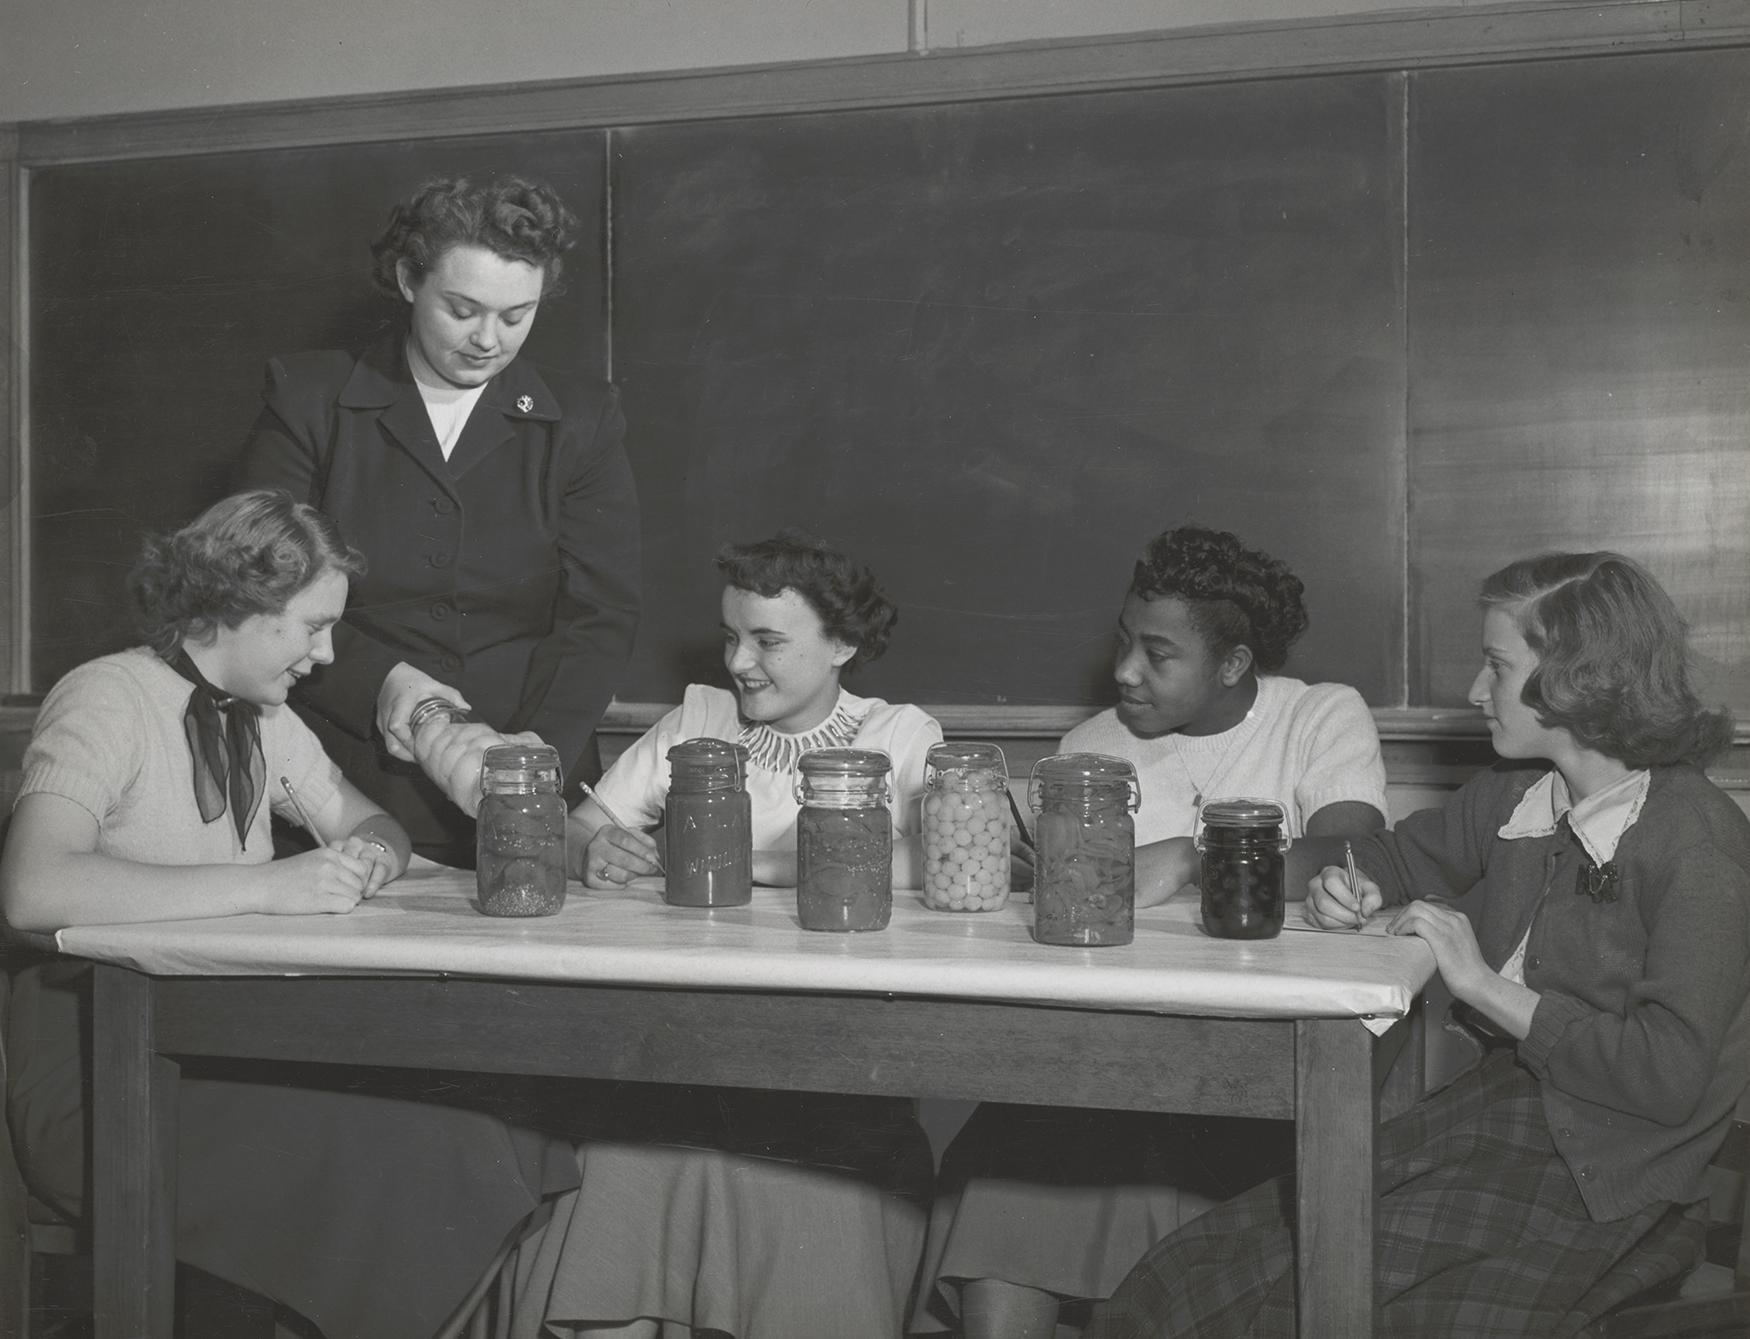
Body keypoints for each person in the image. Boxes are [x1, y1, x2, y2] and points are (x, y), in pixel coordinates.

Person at [1084, 550, 1750, 1339]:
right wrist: (1354, 883)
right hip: (1493, 1124)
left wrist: (1481, 982)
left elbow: (1665, 1079)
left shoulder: (1696, 839)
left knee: (1337, 1302)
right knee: (1192, 1274)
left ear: (1576, 679)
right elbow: (1390, 857)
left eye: (1496, 666)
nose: (1475, 691)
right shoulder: (1516, 795)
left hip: (1613, 1179)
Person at [1, 490, 576, 1339]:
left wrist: (366, 859)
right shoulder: (105, 697)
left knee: (489, 1126)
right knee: (427, 1144)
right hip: (99, 1073)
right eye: (312, 626)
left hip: (204, 1046)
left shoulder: (268, 721)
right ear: (237, 603)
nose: (327, 653)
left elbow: (372, 825)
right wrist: (268, 886)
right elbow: (30, 888)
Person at [916, 525, 1390, 1339]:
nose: (1125, 670)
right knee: (1018, 1148)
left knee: (1078, 1156)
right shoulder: (1090, 749)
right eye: (1124, 642)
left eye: (1159, 653)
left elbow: (1356, 851)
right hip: (1112, 1065)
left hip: (1261, 1079)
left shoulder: (1316, 715)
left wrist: (1190, 856)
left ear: (1234, 663)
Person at [503, 531, 943, 1339]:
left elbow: (928, 857)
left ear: (842, 643)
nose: (740, 661)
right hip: (685, 1049)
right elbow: (576, 826)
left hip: (831, 1061)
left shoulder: (900, 735)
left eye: (769, 641)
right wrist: (595, 847)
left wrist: (748, 862)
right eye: (731, 635)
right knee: (614, 1155)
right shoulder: (698, 719)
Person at [235, 173, 641, 866]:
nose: (489, 339)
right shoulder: (310, 399)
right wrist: (398, 692)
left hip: (531, 782)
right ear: (406, 279)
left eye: (517, 316)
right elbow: (261, 591)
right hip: (342, 785)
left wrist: (526, 762)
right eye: (463, 309)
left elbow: (600, 614)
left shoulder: (582, 418)